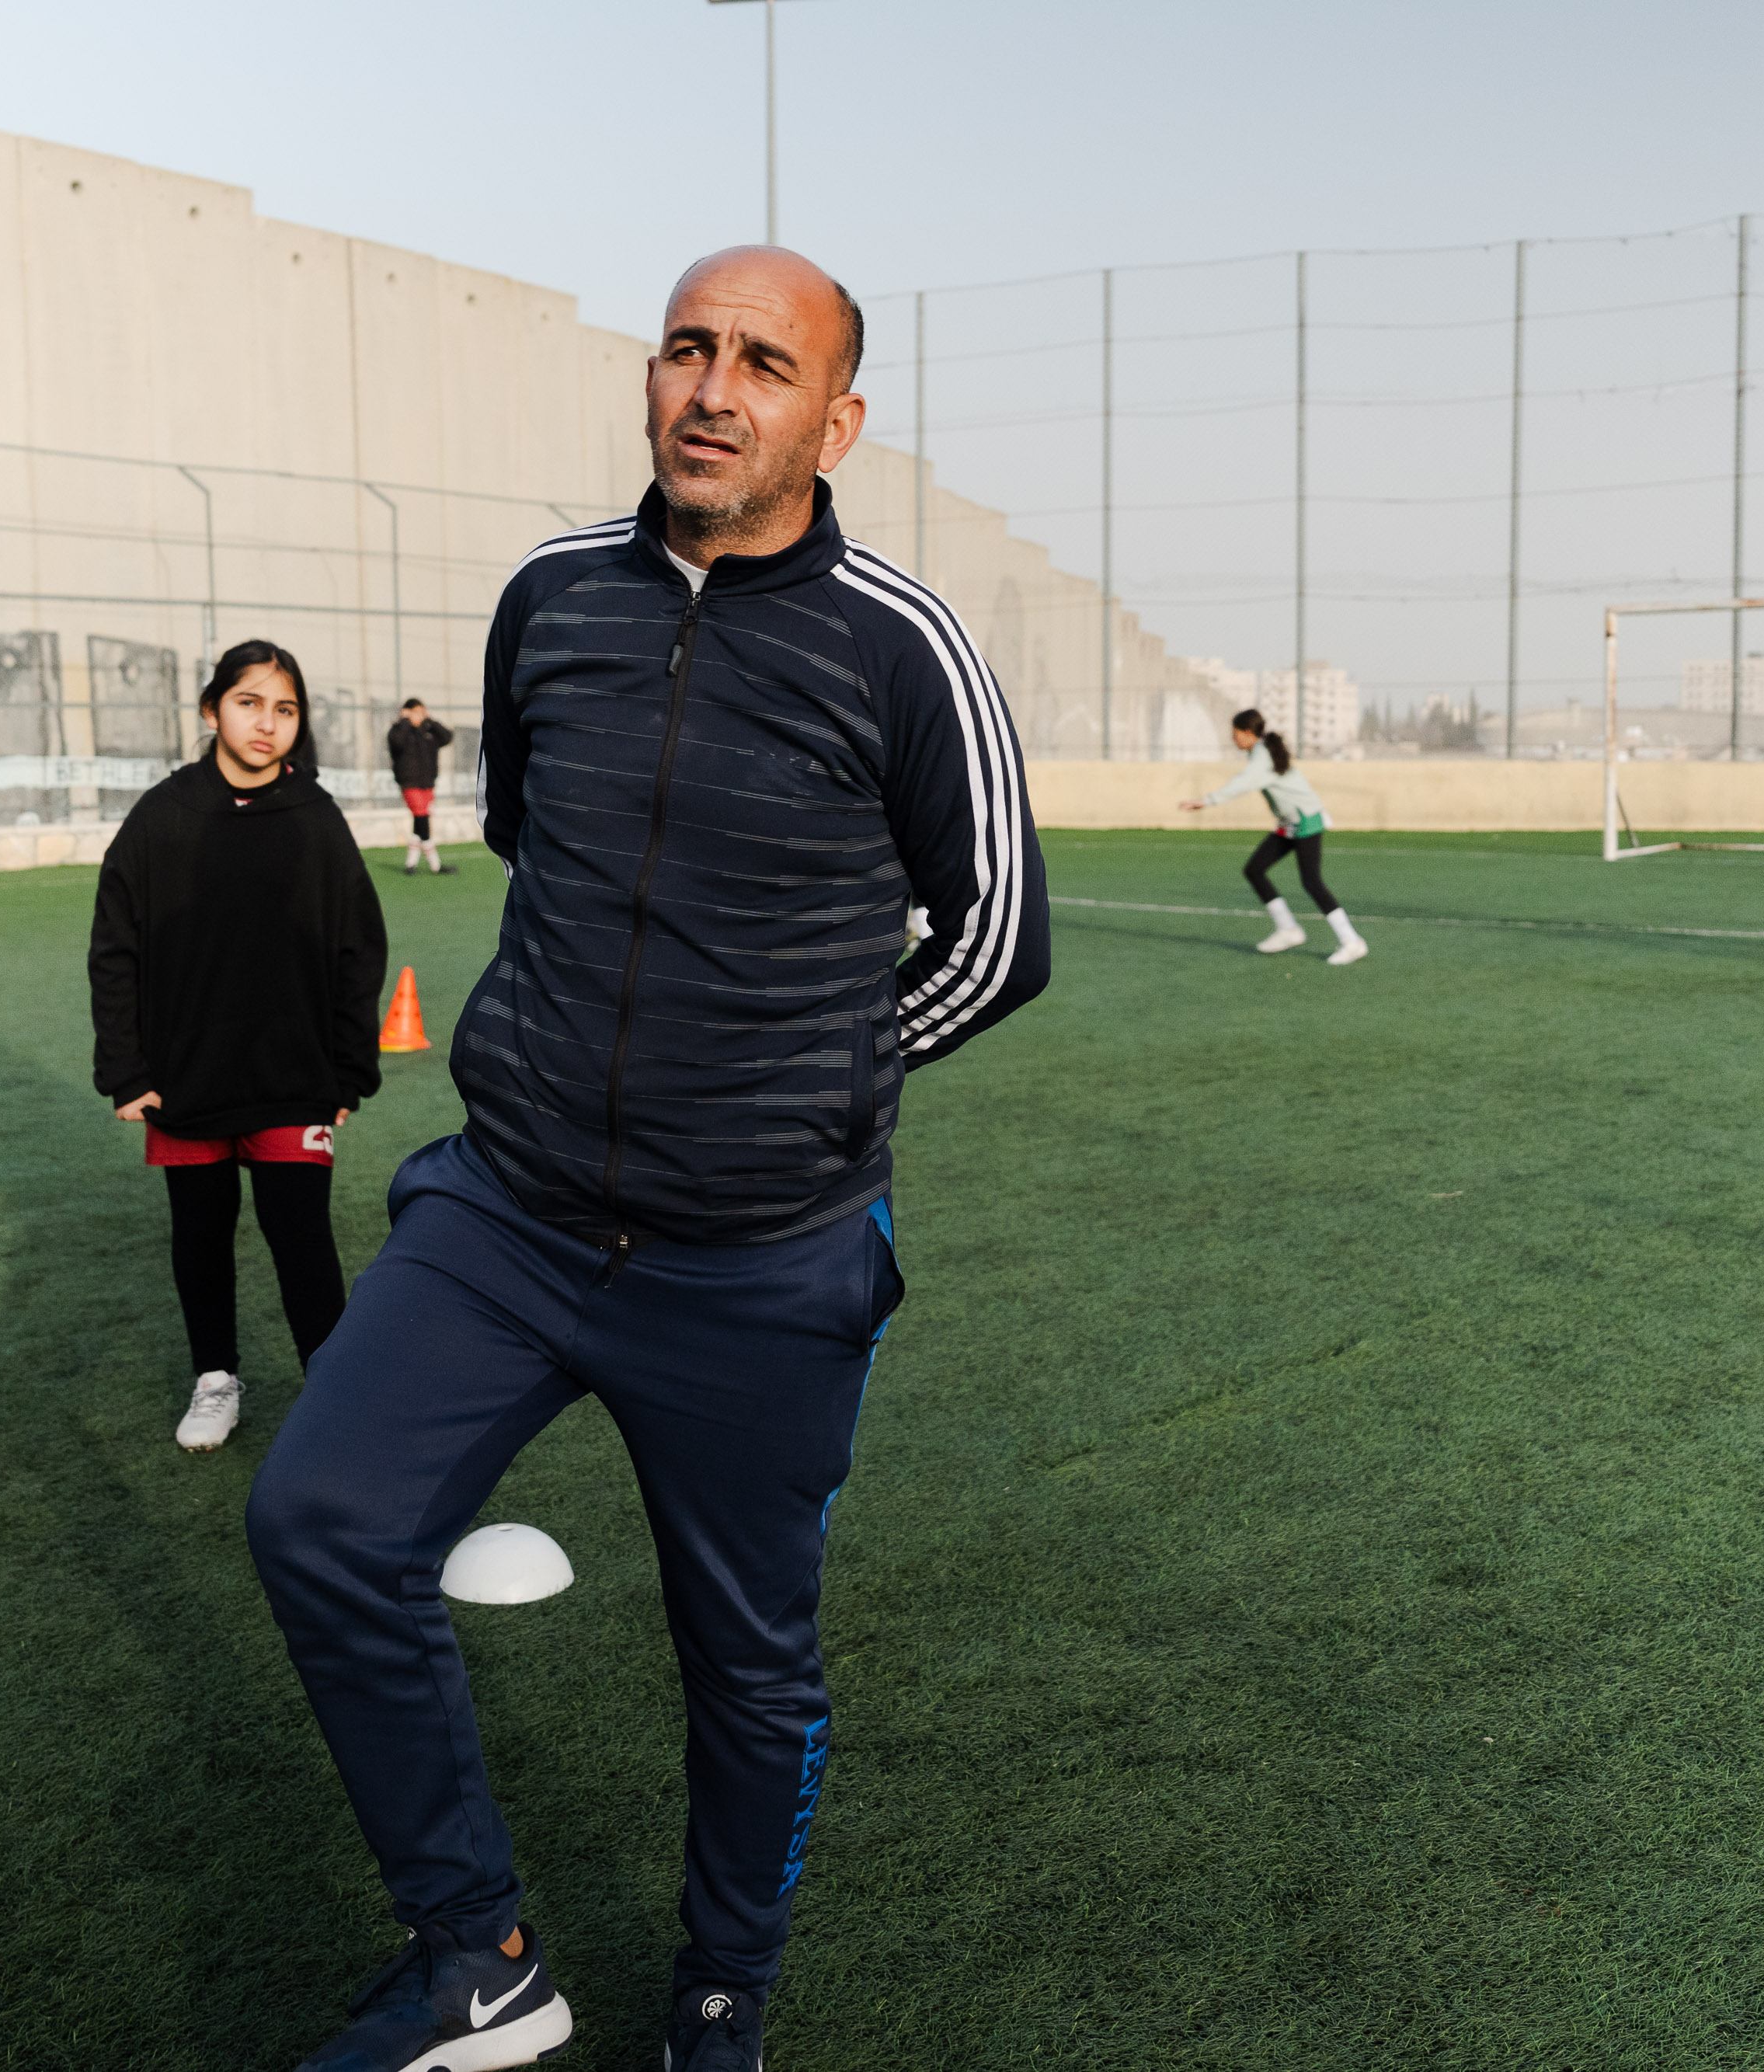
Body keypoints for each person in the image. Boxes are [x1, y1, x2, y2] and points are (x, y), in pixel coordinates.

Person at [243, 246, 1049, 2072]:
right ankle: (479, 1957)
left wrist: (816, 1082)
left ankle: (718, 1998)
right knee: (320, 1524)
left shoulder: (902, 646)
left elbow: (997, 940)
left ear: (832, 422)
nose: (712, 388)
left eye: (762, 363)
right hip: (510, 1214)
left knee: (746, 1668)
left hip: (759, 1263)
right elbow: (536, 841)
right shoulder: (548, 602)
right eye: (686, 347)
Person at [88, 639, 387, 1452]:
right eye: (249, 703)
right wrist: (125, 1069)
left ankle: (334, 1396)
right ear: (210, 710)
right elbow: (115, 946)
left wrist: (349, 1069)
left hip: (294, 1076)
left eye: (284, 709)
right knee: (201, 1234)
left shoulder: (314, 817)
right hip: (186, 1075)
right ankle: (215, 1379)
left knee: (302, 1240)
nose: (267, 723)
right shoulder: (162, 816)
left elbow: (359, 948)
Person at [1179, 709, 1366, 963]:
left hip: (1306, 820)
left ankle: (1352, 941)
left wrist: (1207, 801)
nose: (1233, 739)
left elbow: (1242, 783)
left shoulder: (1261, 757)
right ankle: (1288, 929)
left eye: (1235, 734)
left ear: (1247, 733)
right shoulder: (1262, 751)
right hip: (1290, 823)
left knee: (1311, 882)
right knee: (1255, 870)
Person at [386, 697, 458, 874]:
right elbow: (396, 743)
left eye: (422, 711)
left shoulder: (428, 730)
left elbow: (447, 737)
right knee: (421, 817)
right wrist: (404, 720)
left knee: (421, 819)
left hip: (428, 782)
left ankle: (411, 865)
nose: (420, 715)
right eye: (416, 712)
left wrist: (430, 721)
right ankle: (435, 864)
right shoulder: (399, 730)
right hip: (409, 782)